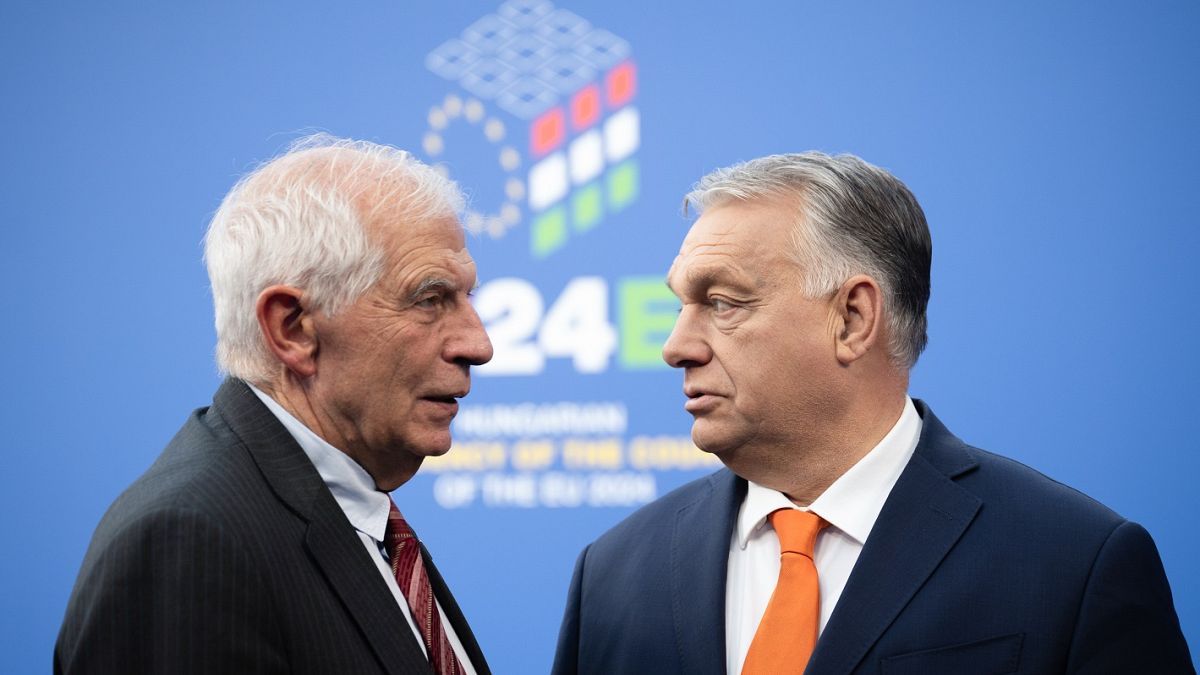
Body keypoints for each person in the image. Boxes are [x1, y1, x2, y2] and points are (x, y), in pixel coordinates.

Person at [552, 152, 1193, 674]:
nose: (676, 347)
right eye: (681, 306)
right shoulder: (613, 576)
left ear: (853, 319)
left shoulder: (1072, 566)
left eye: (722, 302)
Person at [56, 135, 495, 674]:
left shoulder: (356, 516)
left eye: (466, 298)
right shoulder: (190, 546)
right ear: (293, 329)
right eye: (429, 300)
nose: (478, 345)